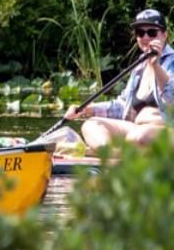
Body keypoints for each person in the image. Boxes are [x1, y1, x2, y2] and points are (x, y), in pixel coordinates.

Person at [64, 8, 174, 150]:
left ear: (165, 35)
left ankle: (104, 153)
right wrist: (87, 109)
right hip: (134, 131)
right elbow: (122, 106)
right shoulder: (140, 64)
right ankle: (112, 155)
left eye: (152, 32)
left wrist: (156, 66)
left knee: (140, 136)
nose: (145, 37)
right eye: (140, 33)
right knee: (92, 124)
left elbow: (172, 99)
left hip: (164, 132)